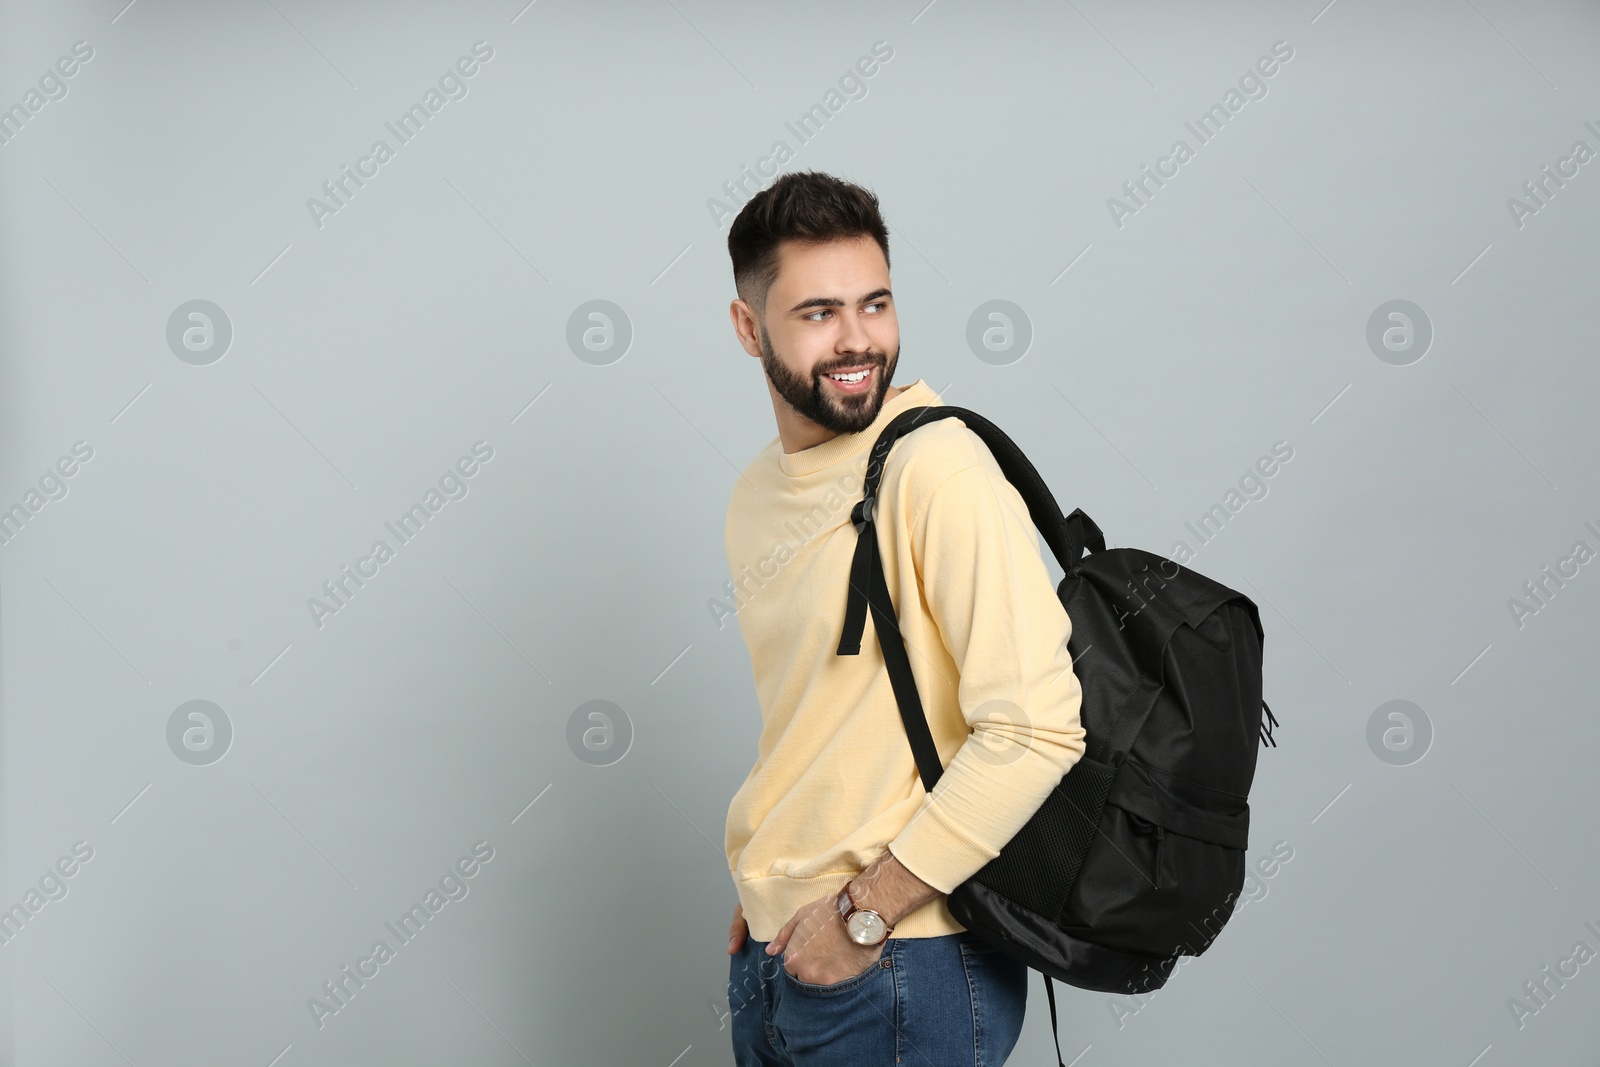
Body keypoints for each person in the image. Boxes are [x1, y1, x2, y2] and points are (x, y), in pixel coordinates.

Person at [720, 170, 1087, 1066]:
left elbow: (1038, 726)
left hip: (906, 960)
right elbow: (824, 717)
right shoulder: (756, 495)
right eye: (817, 313)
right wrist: (779, 870)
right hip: (781, 950)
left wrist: (864, 910)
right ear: (748, 327)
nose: (858, 341)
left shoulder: (938, 468)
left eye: (875, 304)